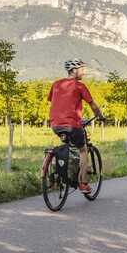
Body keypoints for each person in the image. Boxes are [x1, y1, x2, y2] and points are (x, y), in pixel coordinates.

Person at [48, 59, 105, 194]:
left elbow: (53, 101)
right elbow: (92, 105)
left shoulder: (56, 84)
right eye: (82, 69)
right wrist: (100, 116)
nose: (84, 72)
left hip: (55, 124)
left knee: (68, 147)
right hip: (72, 125)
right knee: (83, 150)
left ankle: (58, 175)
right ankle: (83, 183)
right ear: (74, 70)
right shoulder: (79, 86)